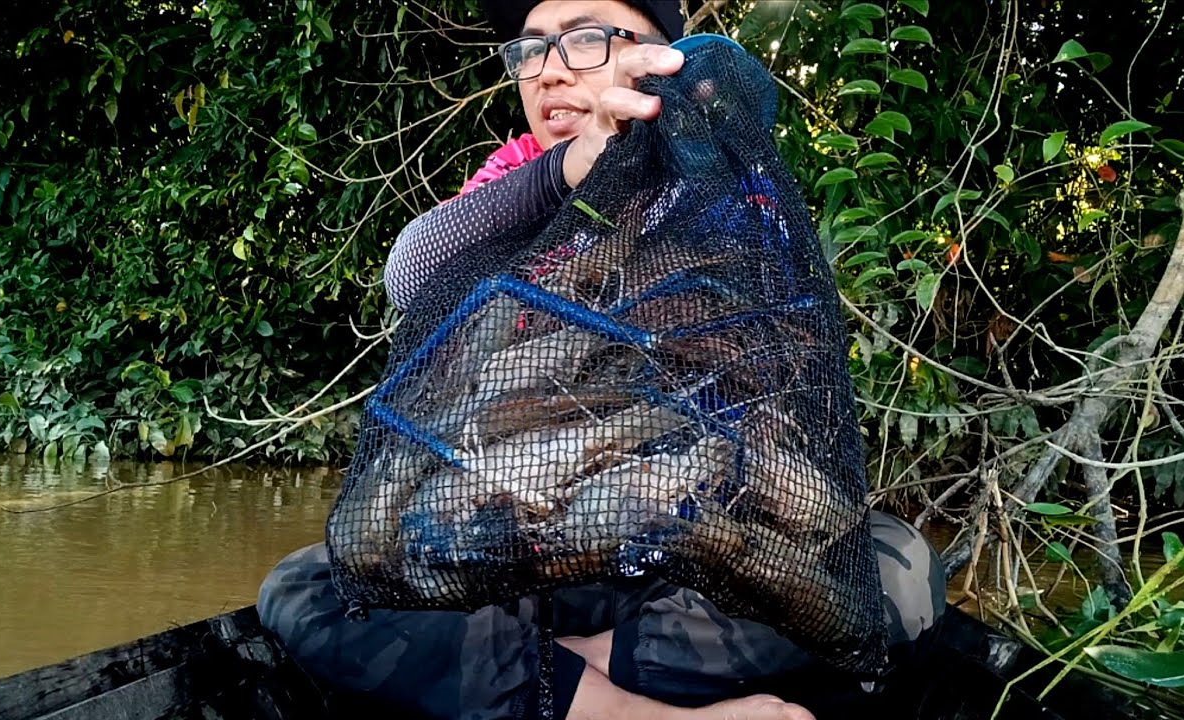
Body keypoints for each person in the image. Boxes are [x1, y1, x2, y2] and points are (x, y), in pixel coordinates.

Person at [257, 3, 947, 719]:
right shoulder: (517, 177)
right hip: (514, 555)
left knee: (903, 574)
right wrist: (572, 169)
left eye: (584, 39)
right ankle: (631, 709)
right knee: (306, 589)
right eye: (530, 49)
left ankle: (576, 676)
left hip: (692, 566)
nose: (548, 70)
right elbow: (410, 274)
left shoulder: (725, 187)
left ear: (657, 58)